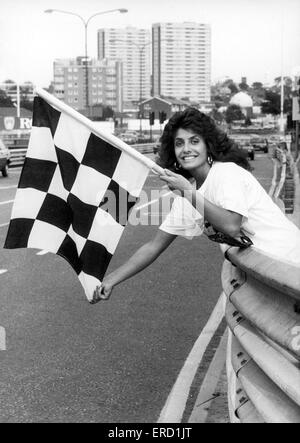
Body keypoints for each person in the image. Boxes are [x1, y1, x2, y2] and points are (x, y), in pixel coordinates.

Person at [94, 108, 300, 302]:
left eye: (194, 141)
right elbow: (154, 246)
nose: (186, 149)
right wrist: (111, 280)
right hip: (268, 272)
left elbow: (231, 225)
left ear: (207, 145)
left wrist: (186, 192)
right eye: (179, 143)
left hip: (290, 261)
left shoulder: (225, 174)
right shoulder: (189, 191)